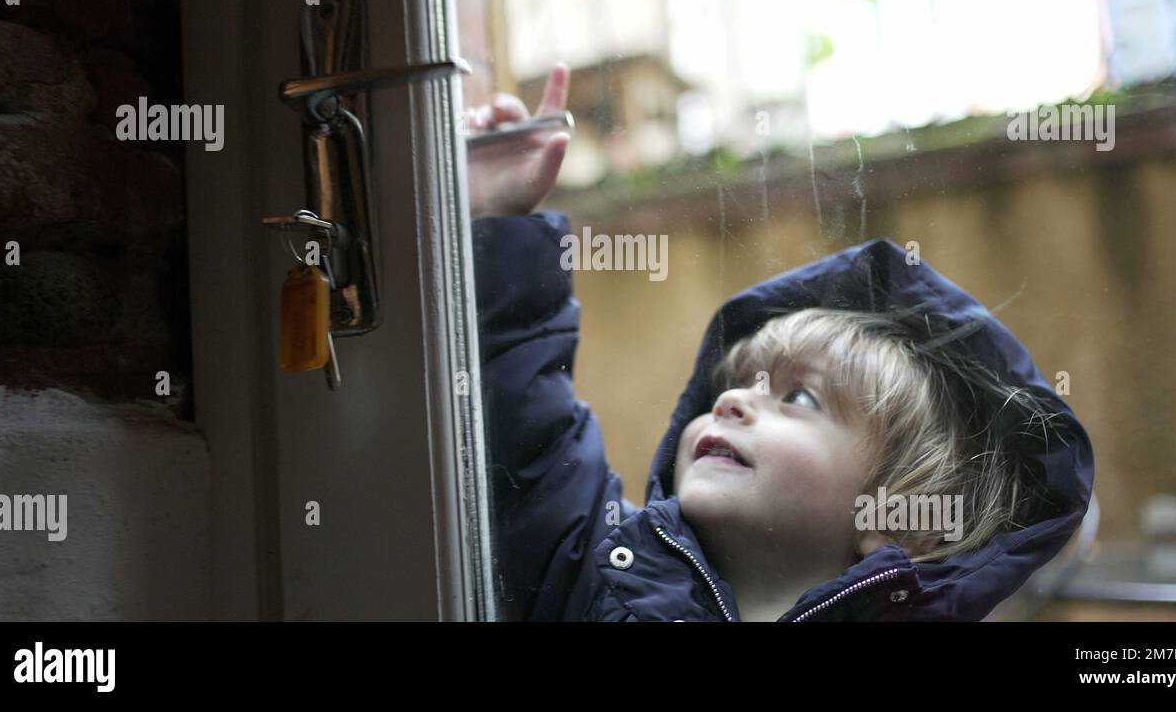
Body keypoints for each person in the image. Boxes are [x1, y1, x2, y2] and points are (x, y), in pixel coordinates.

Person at [465, 62, 1095, 621]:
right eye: (739, 383)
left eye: (801, 399)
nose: (733, 401)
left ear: (900, 518)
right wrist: (499, 218)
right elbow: (529, 440)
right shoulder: (599, 576)